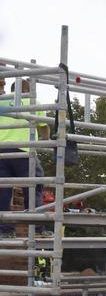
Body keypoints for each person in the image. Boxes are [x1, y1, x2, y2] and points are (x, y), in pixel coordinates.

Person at [0, 76, 49, 234]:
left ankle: (5, 230)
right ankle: (37, 228)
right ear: (28, 90)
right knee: (34, 186)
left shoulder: (1, 102)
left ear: (13, 90)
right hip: (24, 152)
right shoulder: (34, 102)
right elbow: (44, 128)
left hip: (2, 152)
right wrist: (44, 141)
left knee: (3, 191)